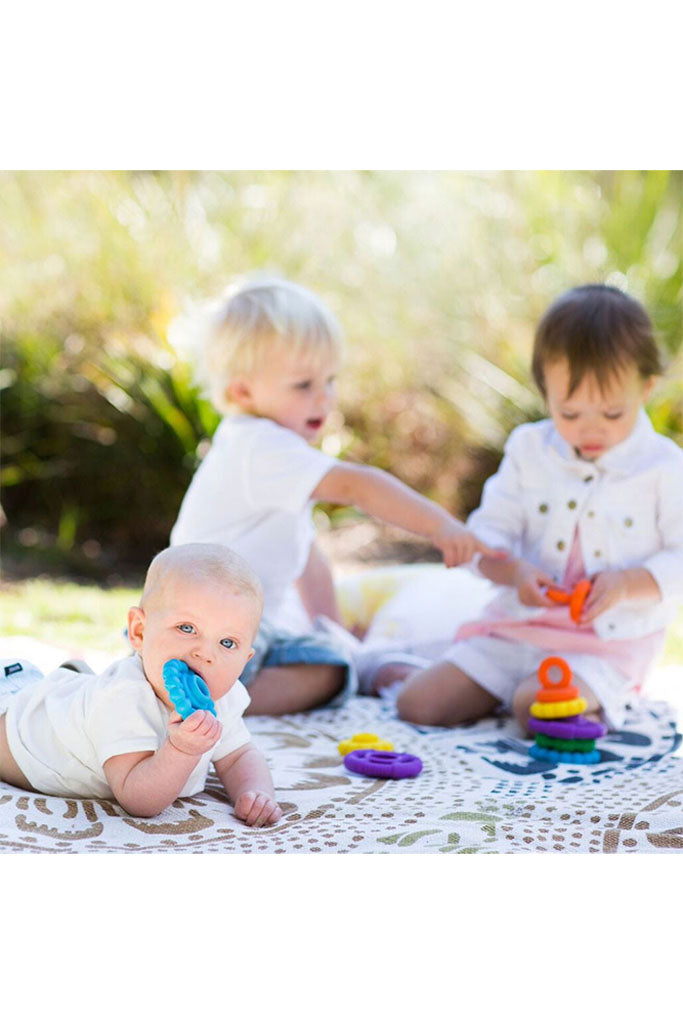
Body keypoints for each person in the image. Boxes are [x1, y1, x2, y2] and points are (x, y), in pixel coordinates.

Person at [169, 275, 503, 715]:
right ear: (242, 391)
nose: (323, 398)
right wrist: (440, 525)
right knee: (331, 672)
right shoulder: (260, 448)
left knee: (330, 656)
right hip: (206, 633)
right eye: (303, 385)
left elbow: (307, 558)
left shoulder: (266, 454)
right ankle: (200, 703)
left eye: (330, 380)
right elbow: (357, 485)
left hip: (220, 630)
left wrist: (333, 630)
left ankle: (184, 690)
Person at [394, 284, 683, 732]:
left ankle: (587, 697)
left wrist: (627, 584)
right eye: (569, 413)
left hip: (605, 643)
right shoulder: (529, 450)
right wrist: (515, 574)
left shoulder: (663, 466)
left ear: (645, 388)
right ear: (545, 390)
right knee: (419, 703)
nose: (591, 430)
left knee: (534, 704)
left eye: (611, 414)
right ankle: (505, 689)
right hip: (519, 628)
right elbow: (490, 533)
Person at [0, 543, 282, 826]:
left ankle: (74, 681)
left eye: (227, 643)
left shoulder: (224, 698)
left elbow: (238, 755)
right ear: (139, 631)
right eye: (187, 628)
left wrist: (255, 792)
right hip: (18, 732)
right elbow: (138, 799)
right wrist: (181, 751)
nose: (205, 654)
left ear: (245, 660)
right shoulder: (125, 697)